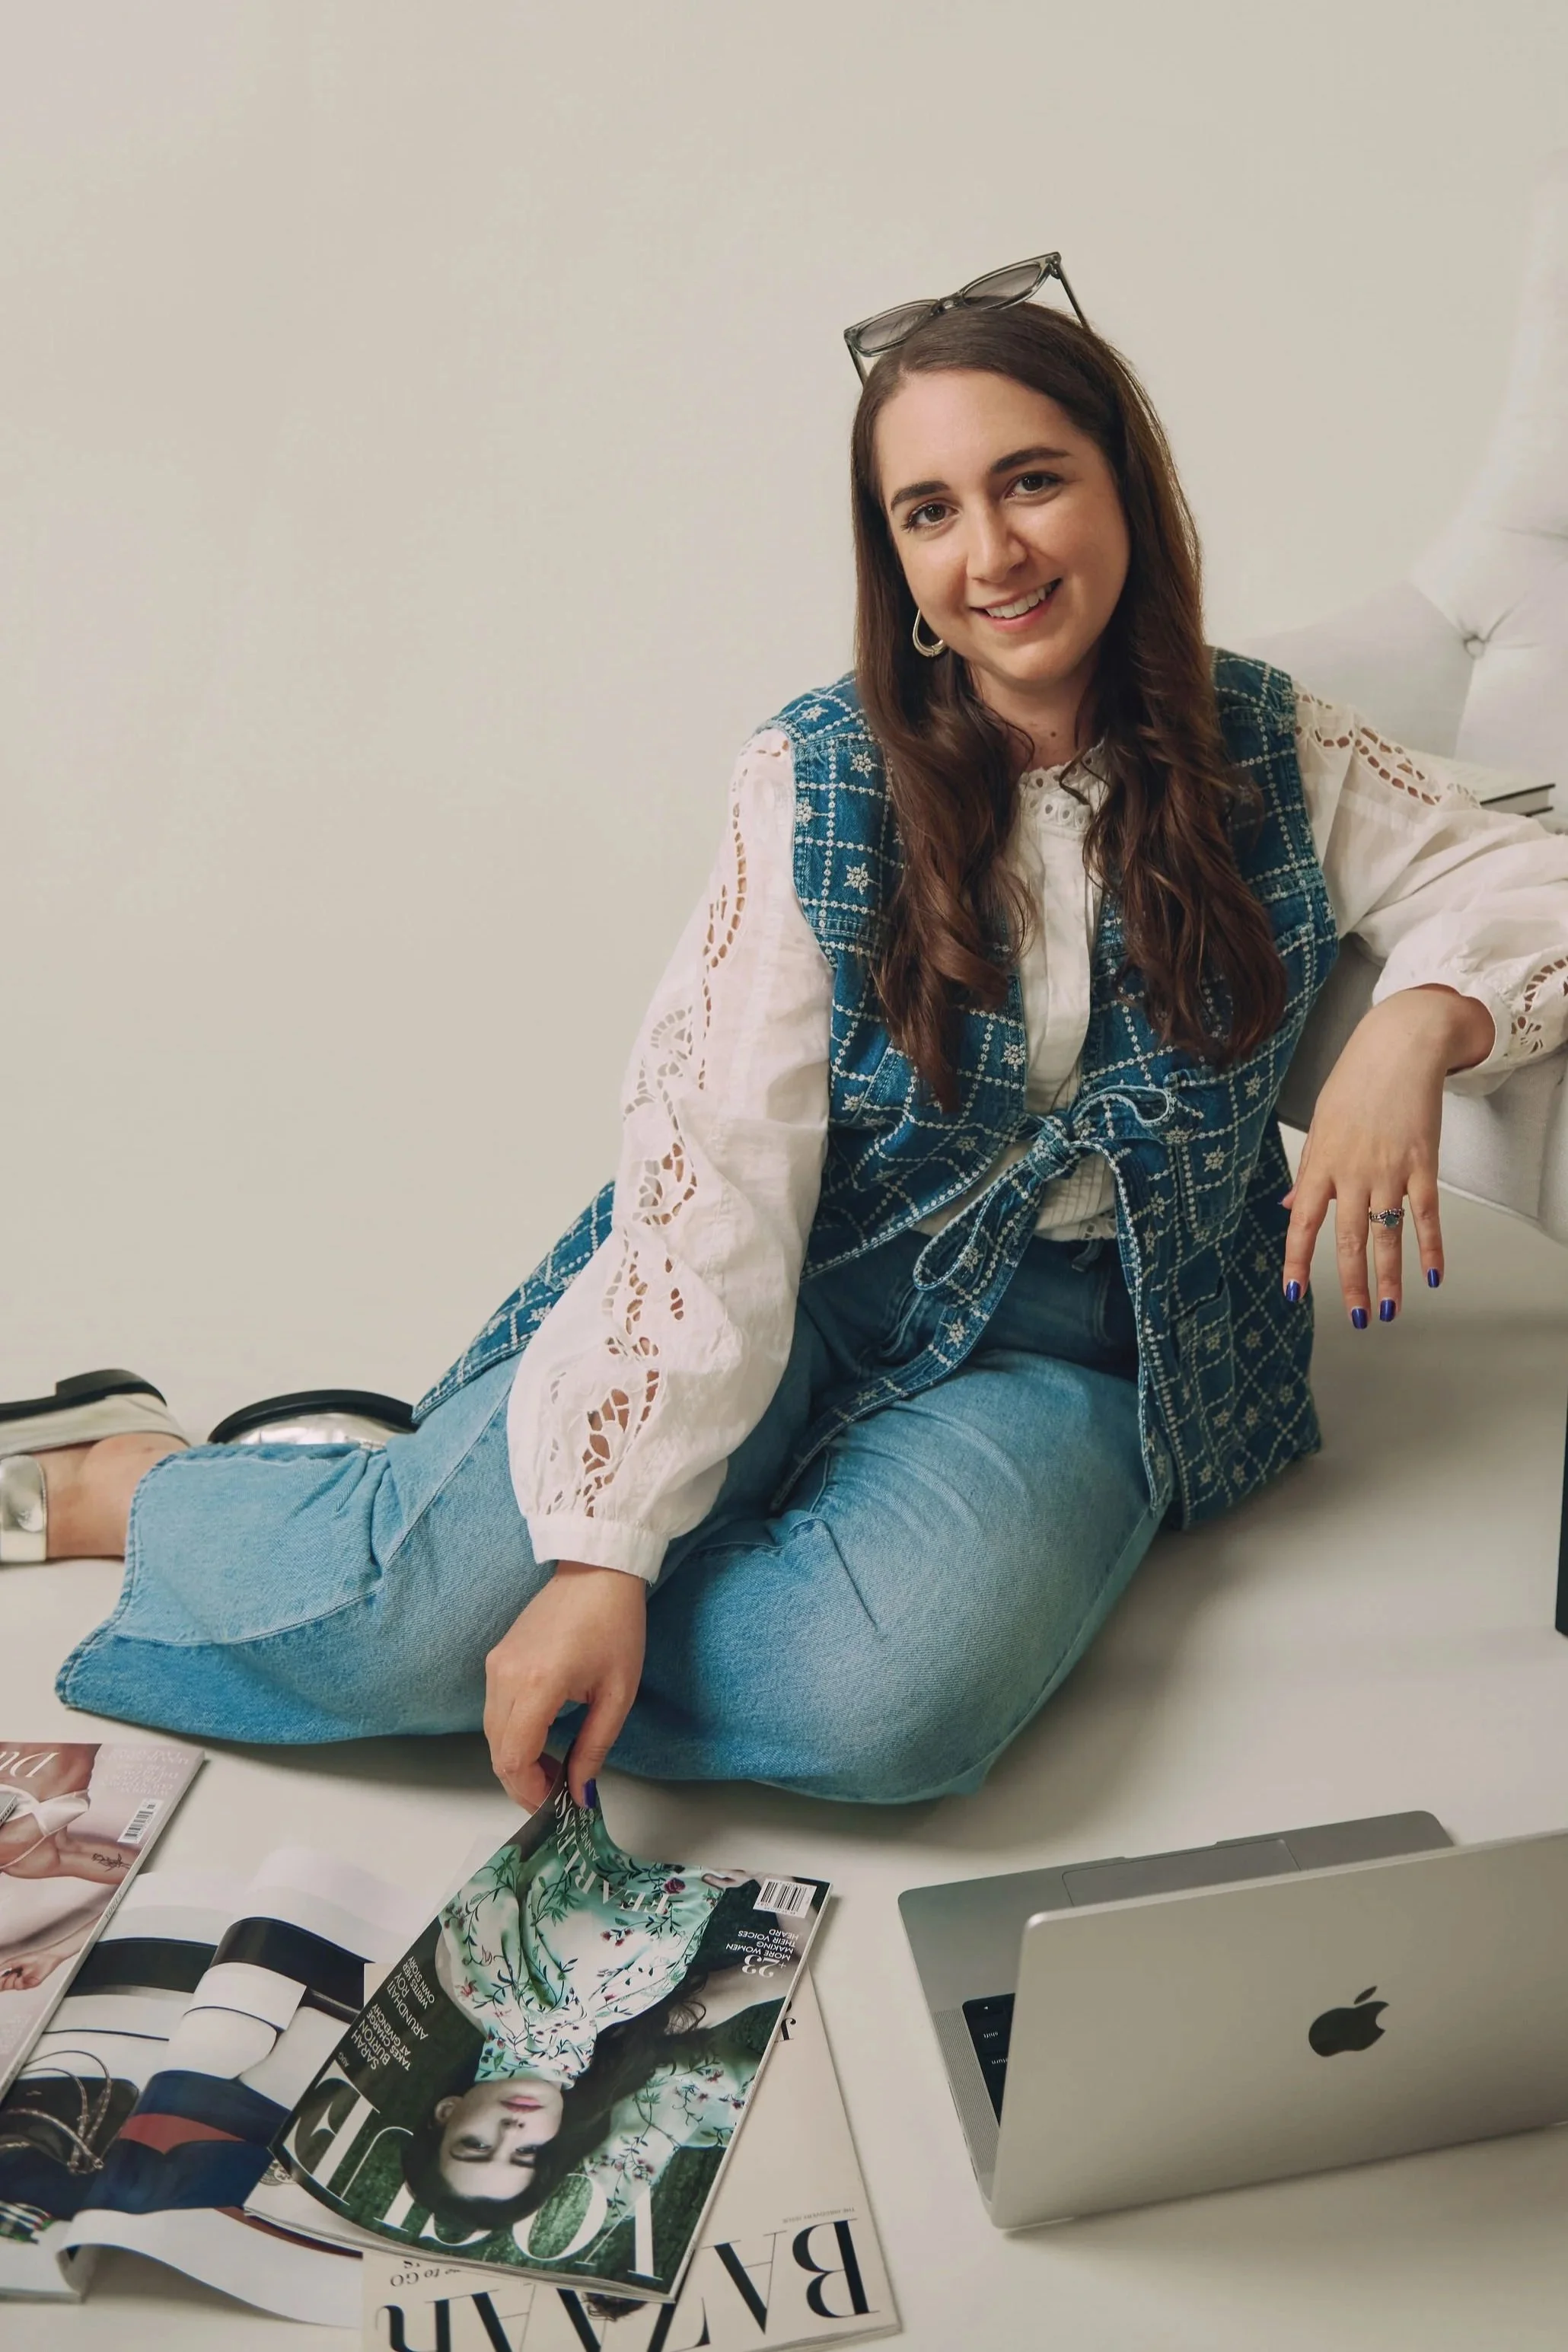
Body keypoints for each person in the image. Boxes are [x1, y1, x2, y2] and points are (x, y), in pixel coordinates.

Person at [20, 261, 1568, 1809]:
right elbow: (719, 1170)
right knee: (388, 1632)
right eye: (931, 511)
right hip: (799, 1275)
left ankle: (450, 1566)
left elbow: (1533, 874)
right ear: (893, 560)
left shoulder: (1270, 745)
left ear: (1126, 494)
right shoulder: (815, 780)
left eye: (1032, 482)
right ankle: (136, 1484)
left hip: (1083, 1347)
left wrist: (1416, 1028)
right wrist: (605, 1548)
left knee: (882, 1709)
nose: (993, 550)